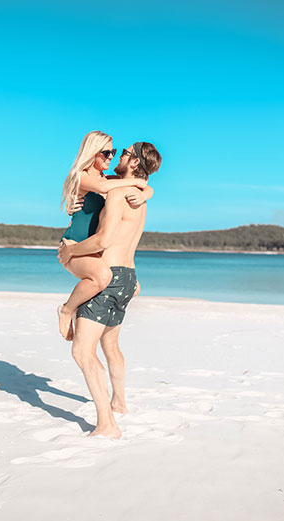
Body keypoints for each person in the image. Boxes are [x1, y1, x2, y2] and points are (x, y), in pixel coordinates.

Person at [58, 141, 162, 438]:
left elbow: (103, 241)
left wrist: (73, 252)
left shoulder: (117, 195)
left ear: (134, 163)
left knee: (81, 351)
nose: (118, 156)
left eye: (125, 153)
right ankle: (119, 403)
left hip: (110, 277)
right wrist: (147, 186)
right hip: (129, 278)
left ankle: (106, 424)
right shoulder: (140, 197)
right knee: (111, 346)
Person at [58, 131, 154, 341]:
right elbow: (103, 187)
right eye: (106, 153)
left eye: (113, 152)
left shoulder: (108, 179)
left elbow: (129, 185)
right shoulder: (82, 175)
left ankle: (86, 308)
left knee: (133, 287)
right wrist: (140, 185)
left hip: (92, 248)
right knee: (102, 277)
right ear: (92, 153)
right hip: (74, 245)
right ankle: (67, 310)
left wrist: (145, 191)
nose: (111, 157)